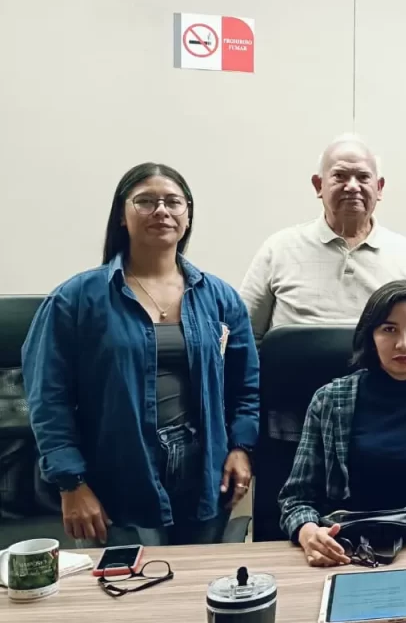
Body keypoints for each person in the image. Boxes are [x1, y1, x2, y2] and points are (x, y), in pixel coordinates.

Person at [22, 163, 258, 546]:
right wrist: (71, 483)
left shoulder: (220, 297)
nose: (161, 211)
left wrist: (240, 449)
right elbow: (48, 399)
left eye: (173, 202)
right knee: (129, 598)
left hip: (206, 480)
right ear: (121, 214)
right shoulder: (76, 299)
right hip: (115, 481)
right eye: (146, 201)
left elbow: (245, 386)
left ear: (188, 214)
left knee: (199, 594)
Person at [240, 134, 406, 440]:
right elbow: (244, 341)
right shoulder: (278, 249)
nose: (352, 186)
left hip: (384, 420)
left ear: (379, 188)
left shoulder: (404, 253)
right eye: (340, 176)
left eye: (363, 177)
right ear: (319, 185)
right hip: (291, 422)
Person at [278, 280, 406, 567]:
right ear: (370, 336)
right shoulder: (329, 400)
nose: (404, 344)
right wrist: (309, 533)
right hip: (343, 548)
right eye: (389, 329)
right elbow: (295, 499)